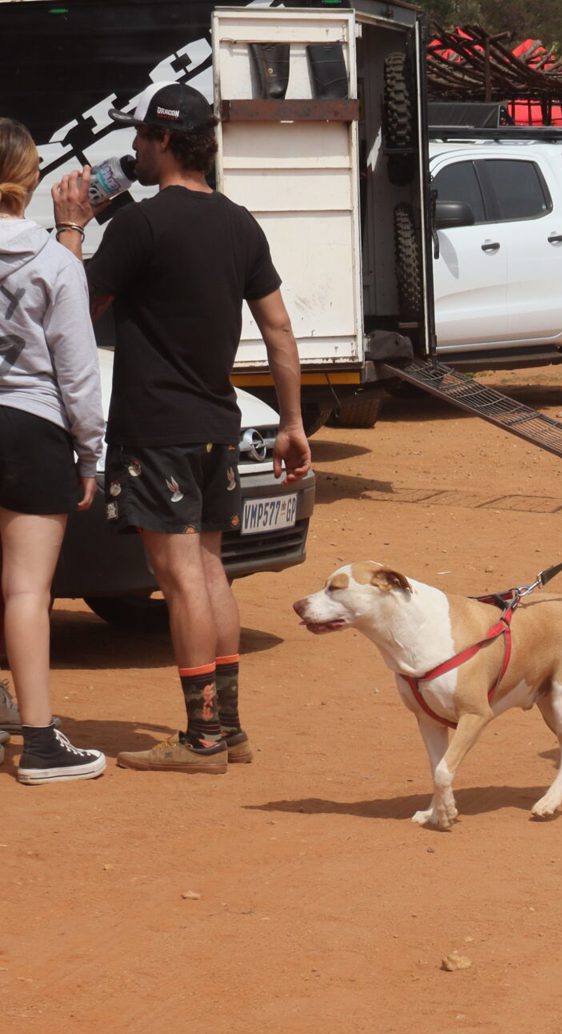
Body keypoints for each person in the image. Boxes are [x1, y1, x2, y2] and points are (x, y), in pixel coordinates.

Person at [50, 83, 311, 775]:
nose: (134, 148)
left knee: (179, 576)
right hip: (218, 423)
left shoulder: (141, 226)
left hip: (157, 427)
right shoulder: (239, 223)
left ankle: (201, 740)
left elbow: (72, 309)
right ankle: (228, 728)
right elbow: (279, 328)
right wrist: (291, 421)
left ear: (164, 140)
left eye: (141, 136)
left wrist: (72, 228)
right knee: (209, 568)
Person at [0, 117, 107, 783]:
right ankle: (39, 743)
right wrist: (89, 454)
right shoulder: (56, 261)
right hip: (31, 428)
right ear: (30, 179)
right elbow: (78, 372)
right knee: (26, 590)